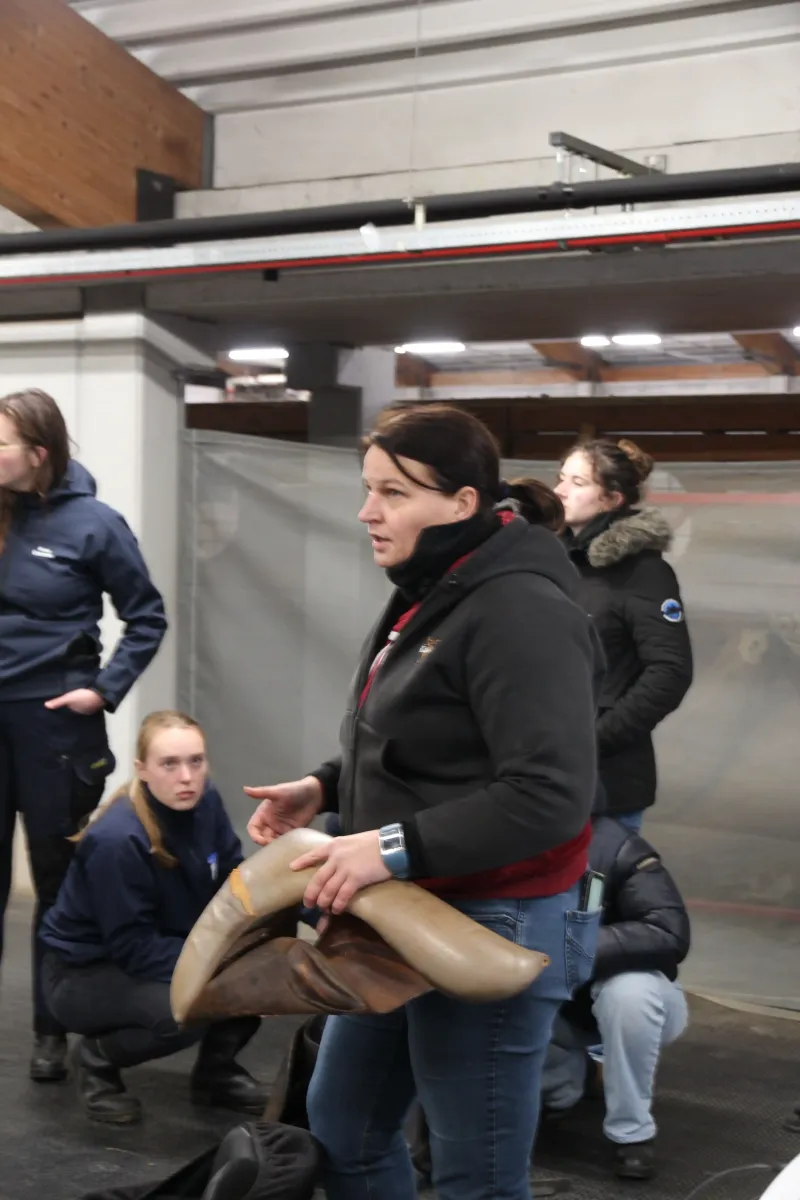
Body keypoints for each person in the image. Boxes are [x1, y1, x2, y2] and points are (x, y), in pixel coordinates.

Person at [245, 403, 604, 1200]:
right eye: (368, 488)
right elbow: (422, 733)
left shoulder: (521, 610)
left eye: (394, 493)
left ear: (462, 502)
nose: (367, 512)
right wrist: (326, 785)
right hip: (399, 907)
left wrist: (385, 846)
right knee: (345, 1131)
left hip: (490, 918)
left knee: (475, 1173)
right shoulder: (436, 586)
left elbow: (549, 795)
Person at [0, 388, 167, 1083]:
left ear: (38, 453)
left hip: (55, 728)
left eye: (0, 443)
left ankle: (52, 1028)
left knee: (54, 881)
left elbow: (146, 616)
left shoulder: (94, 523)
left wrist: (103, 688)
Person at [39, 709, 267, 1126]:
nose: (187, 777)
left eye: (196, 761)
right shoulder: (118, 840)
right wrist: (217, 966)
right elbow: (133, 948)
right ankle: (95, 1059)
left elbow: (233, 878)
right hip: (82, 974)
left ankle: (215, 1074)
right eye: (169, 764)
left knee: (259, 969)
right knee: (189, 1009)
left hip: (161, 946)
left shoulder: (206, 801)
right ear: (142, 770)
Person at [540, 812, 691, 1180]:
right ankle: (573, 1081)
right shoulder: (495, 840)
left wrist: (567, 949)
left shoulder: (618, 846)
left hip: (620, 995)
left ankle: (632, 1132)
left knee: (631, 994)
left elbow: (668, 932)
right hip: (550, 1008)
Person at [554, 438, 693, 832]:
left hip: (605, 787)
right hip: (541, 777)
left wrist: (594, 740)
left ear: (611, 500)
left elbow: (669, 672)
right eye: (561, 478)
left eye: (578, 482)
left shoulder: (642, 572)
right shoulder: (554, 563)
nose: (560, 490)